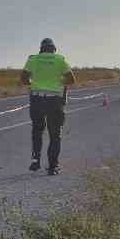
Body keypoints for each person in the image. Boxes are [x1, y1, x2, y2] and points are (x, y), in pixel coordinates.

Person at [21, 37, 76, 175]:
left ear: (41, 49)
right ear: (54, 49)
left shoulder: (32, 59)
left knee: (37, 131)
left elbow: (23, 78)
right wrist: (58, 81)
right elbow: (71, 79)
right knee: (54, 135)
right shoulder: (59, 60)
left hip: (37, 99)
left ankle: (35, 160)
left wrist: (35, 83)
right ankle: (52, 167)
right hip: (54, 102)